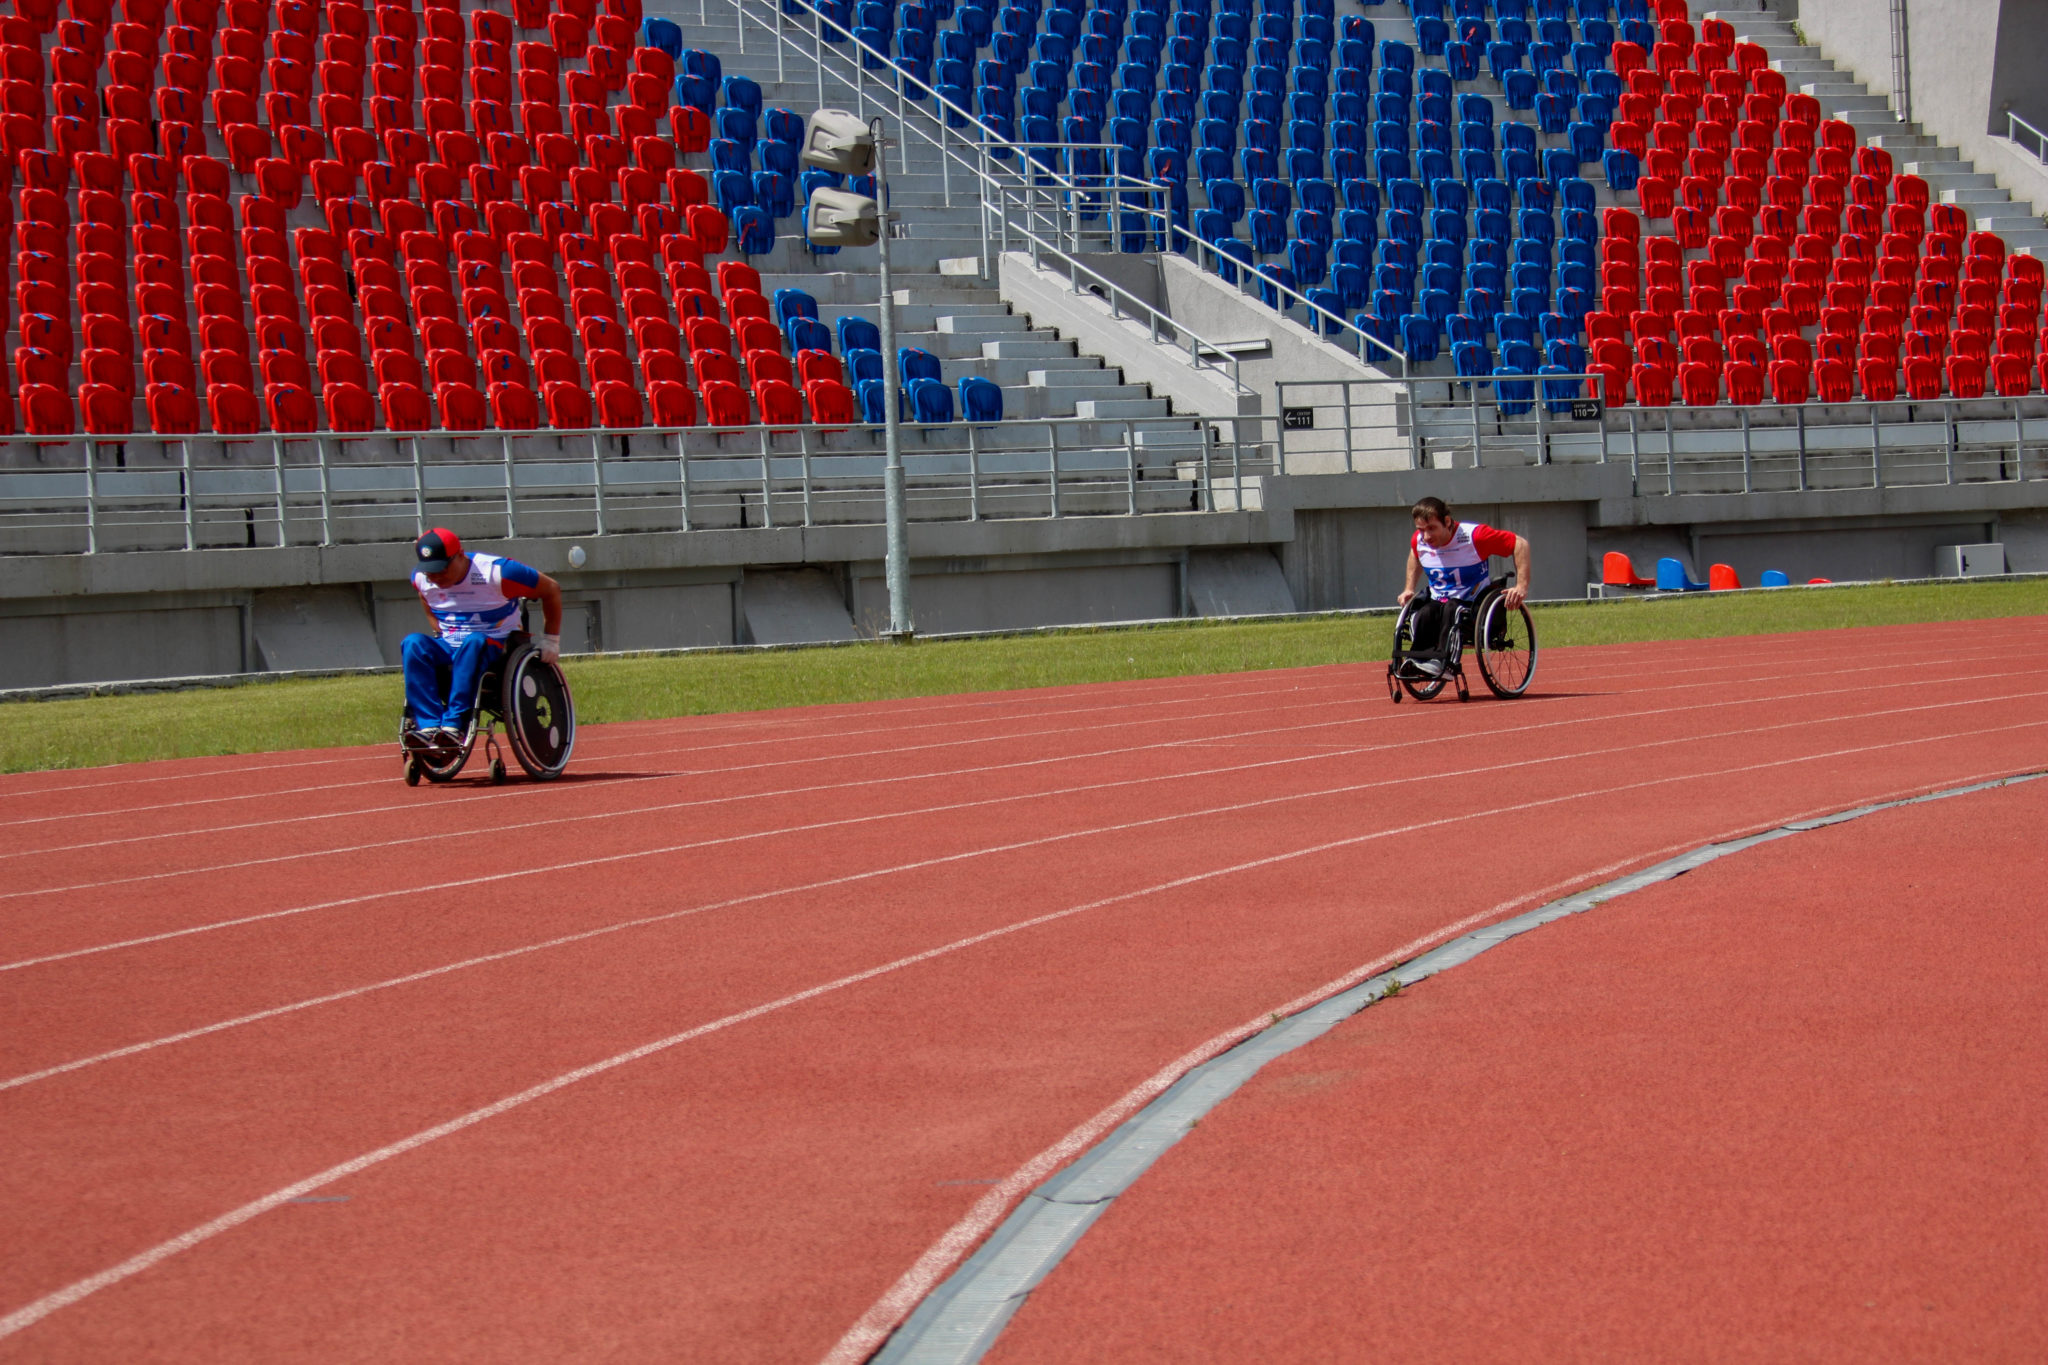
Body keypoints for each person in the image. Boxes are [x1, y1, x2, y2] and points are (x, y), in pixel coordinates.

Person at [402, 528, 563, 751]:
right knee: (413, 643)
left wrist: (551, 640)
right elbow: (424, 597)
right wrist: (438, 631)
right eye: (430, 572)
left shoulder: (499, 573)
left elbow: (551, 589)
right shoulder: (420, 579)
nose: (436, 577)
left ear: (460, 555)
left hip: (494, 644)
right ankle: (428, 727)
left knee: (474, 641)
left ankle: (454, 725)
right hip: (450, 643)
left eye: (441, 570)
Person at [1394, 497, 1533, 676]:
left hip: (1471, 604)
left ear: (1447, 522)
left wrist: (1521, 586)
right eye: (1421, 530)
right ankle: (1418, 659)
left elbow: (1519, 544)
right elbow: (1415, 555)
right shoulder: (1419, 541)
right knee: (1425, 611)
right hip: (1439, 601)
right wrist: (1409, 588)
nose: (1426, 537)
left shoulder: (1475, 536)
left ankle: (1443, 662)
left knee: (1452, 608)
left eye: (1432, 529)